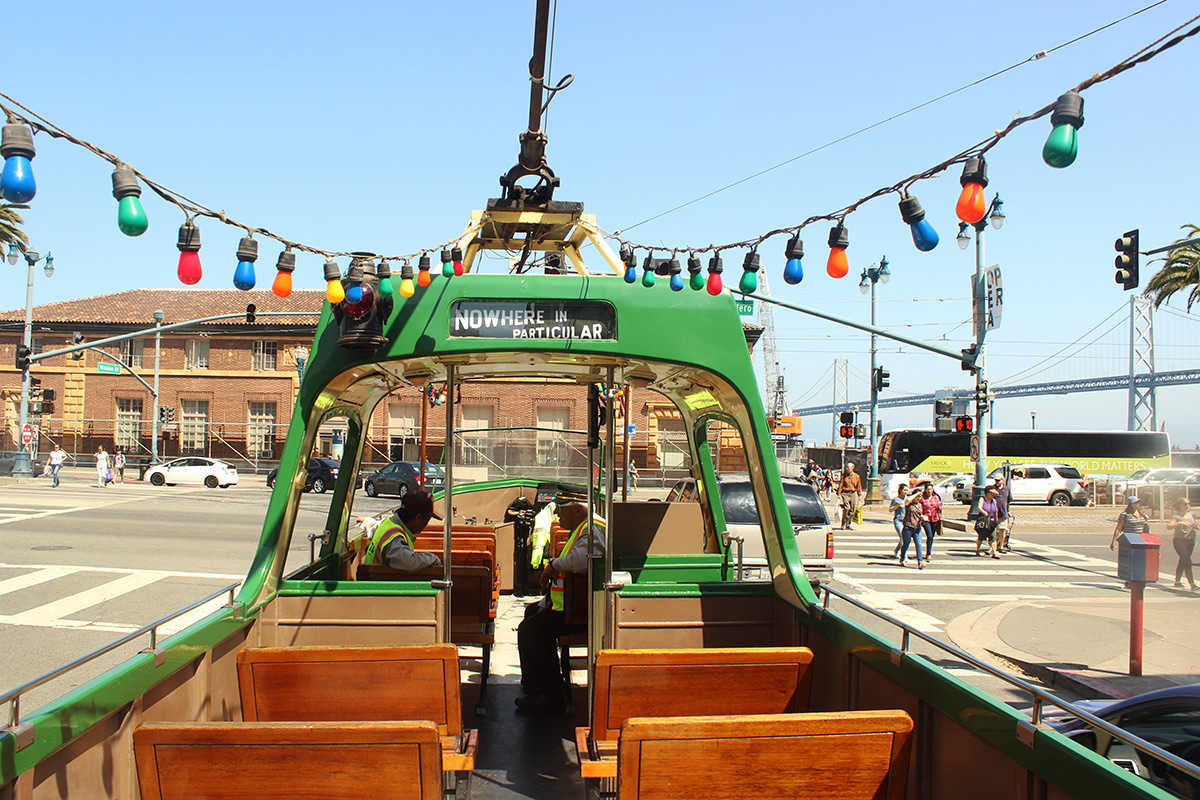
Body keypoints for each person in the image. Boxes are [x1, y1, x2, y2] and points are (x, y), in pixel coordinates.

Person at [516, 502, 606, 710]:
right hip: (572, 605)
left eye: (561, 508)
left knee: (530, 630)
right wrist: (546, 602)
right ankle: (540, 682)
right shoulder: (582, 528)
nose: (556, 513)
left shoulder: (593, 529)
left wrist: (554, 565)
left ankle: (547, 695)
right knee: (531, 612)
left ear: (577, 510)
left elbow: (581, 561)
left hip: (583, 611)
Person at [362, 491, 443, 572]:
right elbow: (409, 562)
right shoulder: (394, 536)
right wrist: (433, 558)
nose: (426, 525)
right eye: (427, 520)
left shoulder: (389, 522)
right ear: (418, 517)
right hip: (375, 583)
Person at [1166, 497, 1196, 591]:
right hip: (1179, 541)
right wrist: (1180, 523)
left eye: (1188, 504)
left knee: (1183, 560)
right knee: (1187, 560)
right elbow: (1169, 526)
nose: (1187, 506)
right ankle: (1192, 583)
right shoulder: (1176, 516)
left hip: (1190, 540)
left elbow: (1193, 525)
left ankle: (1177, 581)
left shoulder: (1191, 514)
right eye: (1185, 504)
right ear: (1179, 505)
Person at [898, 484, 925, 568]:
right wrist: (916, 494)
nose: (919, 498)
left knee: (918, 544)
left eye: (920, 496)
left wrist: (923, 517)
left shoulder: (920, 505)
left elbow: (920, 514)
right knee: (906, 544)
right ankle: (902, 558)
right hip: (908, 527)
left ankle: (920, 562)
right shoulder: (909, 504)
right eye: (918, 496)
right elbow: (907, 500)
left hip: (917, 528)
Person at [919, 481, 942, 561]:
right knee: (929, 535)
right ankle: (928, 553)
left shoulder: (936, 497)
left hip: (935, 518)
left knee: (932, 537)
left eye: (931, 489)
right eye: (928, 489)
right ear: (925, 490)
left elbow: (940, 507)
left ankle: (929, 551)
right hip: (926, 519)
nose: (929, 491)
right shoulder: (922, 498)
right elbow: (918, 507)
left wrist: (940, 506)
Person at [976, 485, 1001, 557]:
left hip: (992, 520)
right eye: (991, 493)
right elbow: (979, 507)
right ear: (987, 493)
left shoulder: (994, 501)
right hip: (983, 520)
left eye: (994, 494)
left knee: (993, 537)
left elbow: (996, 511)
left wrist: (997, 520)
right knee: (981, 537)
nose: (993, 495)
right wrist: (984, 512)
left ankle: (994, 552)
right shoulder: (982, 499)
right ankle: (977, 550)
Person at [837, 463, 863, 530]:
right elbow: (841, 485)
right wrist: (839, 494)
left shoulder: (856, 476)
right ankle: (844, 523)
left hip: (853, 493)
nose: (847, 469)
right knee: (847, 508)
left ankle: (848, 524)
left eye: (848, 468)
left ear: (852, 468)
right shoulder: (844, 476)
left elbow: (859, 486)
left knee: (852, 510)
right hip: (845, 493)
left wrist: (859, 495)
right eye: (847, 468)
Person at [889, 483, 909, 559]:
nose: (906, 492)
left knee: (907, 538)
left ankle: (899, 550)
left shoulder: (908, 499)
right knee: (902, 537)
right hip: (898, 520)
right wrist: (896, 505)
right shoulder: (895, 499)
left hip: (906, 521)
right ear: (900, 491)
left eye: (907, 490)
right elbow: (890, 510)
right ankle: (901, 553)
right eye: (904, 490)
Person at [994, 475, 1013, 554]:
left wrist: (1008, 511)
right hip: (994, 513)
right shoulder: (992, 489)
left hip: (1003, 512)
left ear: (1002, 480)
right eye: (996, 480)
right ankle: (993, 547)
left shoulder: (1006, 489)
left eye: (999, 480)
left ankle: (1001, 546)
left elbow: (1008, 501)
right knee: (994, 531)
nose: (997, 482)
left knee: (1002, 530)